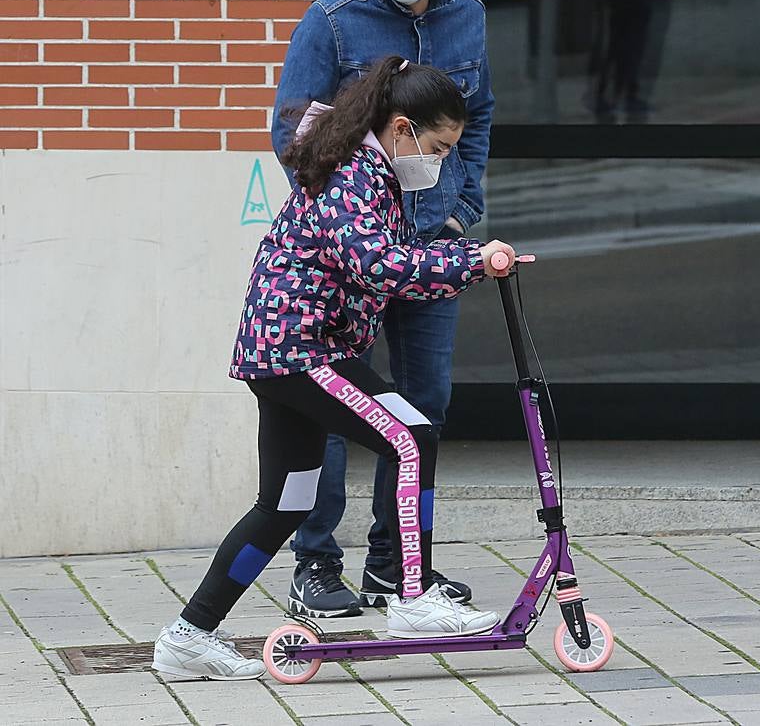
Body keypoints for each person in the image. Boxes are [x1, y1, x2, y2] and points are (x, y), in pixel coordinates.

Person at [152, 57, 515, 680]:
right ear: (402, 130)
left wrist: (465, 257)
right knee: (411, 435)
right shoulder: (356, 174)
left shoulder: (369, 170)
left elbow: (391, 261)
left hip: (285, 352)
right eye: (438, 147)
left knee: (287, 503)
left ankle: (188, 636)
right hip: (303, 350)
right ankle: (410, 593)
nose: (441, 161)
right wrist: (471, 263)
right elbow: (380, 266)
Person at [271, 0, 494, 618]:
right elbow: (291, 132)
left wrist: (461, 209)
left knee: (422, 405)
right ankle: (316, 563)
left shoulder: (468, 18)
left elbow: (479, 116)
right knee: (338, 410)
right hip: (350, 261)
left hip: (430, 244)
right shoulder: (331, 21)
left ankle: (399, 568)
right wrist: (351, 212)